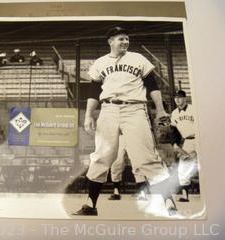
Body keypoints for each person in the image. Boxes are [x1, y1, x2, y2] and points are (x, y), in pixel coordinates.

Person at [73, 26, 177, 216]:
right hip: (108, 109)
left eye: (127, 39)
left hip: (135, 109)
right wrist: (88, 114)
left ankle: (169, 201)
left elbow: (152, 85)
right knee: (102, 155)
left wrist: (160, 109)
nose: (125, 42)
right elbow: (94, 91)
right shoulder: (100, 62)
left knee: (146, 156)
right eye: (121, 39)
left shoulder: (138, 58)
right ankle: (90, 204)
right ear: (110, 41)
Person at [171, 90, 198, 202]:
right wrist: (175, 144)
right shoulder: (174, 113)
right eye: (176, 97)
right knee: (183, 169)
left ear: (185, 98)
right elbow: (174, 131)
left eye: (180, 97)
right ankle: (185, 196)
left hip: (201, 139)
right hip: (188, 141)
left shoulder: (194, 109)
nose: (177, 99)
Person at [108, 134, 148, 201]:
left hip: (134, 135)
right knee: (116, 163)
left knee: (137, 163)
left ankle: (142, 192)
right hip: (119, 136)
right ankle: (116, 191)